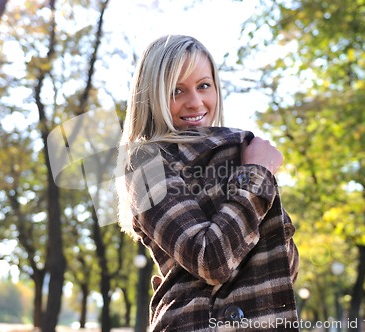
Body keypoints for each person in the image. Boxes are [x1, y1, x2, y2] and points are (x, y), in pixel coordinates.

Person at [116, 35, 299, 331]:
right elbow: (211, 260)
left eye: (204, 86)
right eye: (177, 90)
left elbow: (283, 271)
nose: (195, 102)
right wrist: (257, 174)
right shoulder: (144, 164)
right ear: (153, 97)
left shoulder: (234, 153)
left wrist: (255, 179)